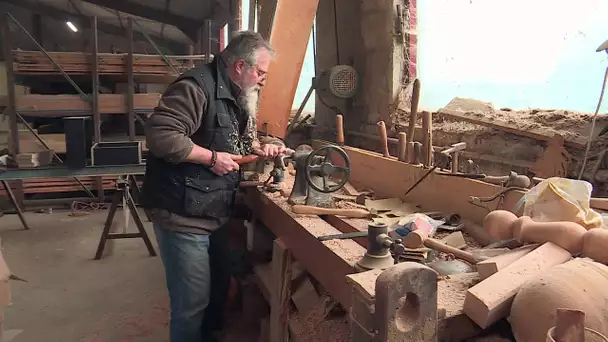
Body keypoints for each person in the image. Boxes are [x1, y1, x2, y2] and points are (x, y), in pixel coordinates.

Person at [140, 31, 285, 342]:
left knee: (219, 283)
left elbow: (238, 140)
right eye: (260, 72)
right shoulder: (196, 87)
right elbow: (162, 136)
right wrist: (211, 158)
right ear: (239, 66)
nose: (262, 80)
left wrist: (262, 147)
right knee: (191, 303)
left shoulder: (238, 93)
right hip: (182, 213)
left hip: (211, 209)